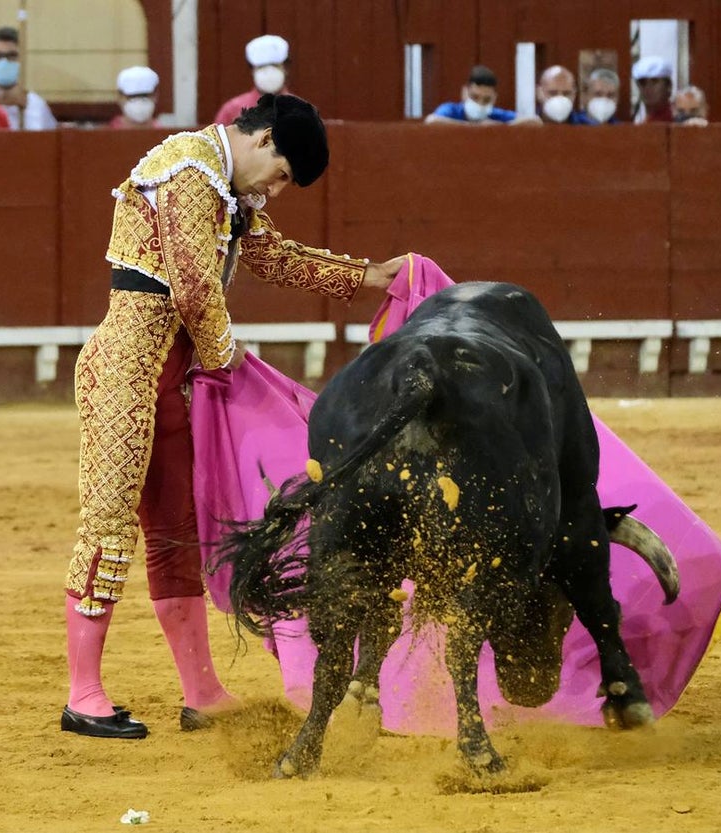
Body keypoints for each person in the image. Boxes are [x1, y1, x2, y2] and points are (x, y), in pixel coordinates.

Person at [61, 92, 407, 739]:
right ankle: (84, 693)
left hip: (176, 381)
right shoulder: (190, 168)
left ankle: (202, 691)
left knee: (176, 534)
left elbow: (275, 257)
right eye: (279, 175)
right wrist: (229, 361)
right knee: (109, 528)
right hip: (126, 377)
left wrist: (369, 276)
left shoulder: (223, 188)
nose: (273, 191)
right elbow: (193, 286)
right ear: (264, 138)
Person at [0, 25, 57, 131]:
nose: (4, 62)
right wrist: (4, 99)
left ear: (21, 57)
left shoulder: (35, 103)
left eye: (11, 56)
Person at [213, 34, 291, 126]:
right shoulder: (232, 110)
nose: (268, 72)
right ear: (252, 70)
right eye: (261, 67)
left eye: (274, 65)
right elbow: (215, 139)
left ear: (285, 68)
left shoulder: (301, 110)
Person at [425, 65, 517, 125]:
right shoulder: (451, 110)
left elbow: (529, 121)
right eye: (475, 97)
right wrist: (473, 126)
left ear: (494, 98)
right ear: (465, 93)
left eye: (486, 100)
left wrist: (500, 126)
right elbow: (432, 120)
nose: (480, 104)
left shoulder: (496, 114)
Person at [631, 56, 674, 123]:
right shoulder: (643, 121)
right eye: (643, 83)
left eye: (654, 81)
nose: (648, 88)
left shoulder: (675, 119)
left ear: (669, 85)